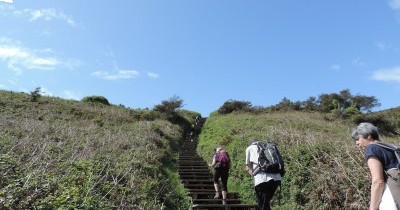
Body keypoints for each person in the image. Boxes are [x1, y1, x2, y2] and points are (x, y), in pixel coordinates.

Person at [351, 122, 399, 209]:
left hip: (393, 196)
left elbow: (378, 182)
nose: (357, 144)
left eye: (358, 139)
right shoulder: (392, 147)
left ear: (368, 136)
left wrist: (372, 208)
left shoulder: (371, 148)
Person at [245, 141, 282, 210]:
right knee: (265, 202)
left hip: (261, 179)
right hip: (276, 178)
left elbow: (248, 166)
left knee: (262, 203)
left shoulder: (249, 148)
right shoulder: (270, 147)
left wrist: (252, 174)